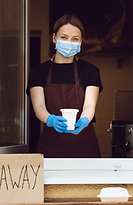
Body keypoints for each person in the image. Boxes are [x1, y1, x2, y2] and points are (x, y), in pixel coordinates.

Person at [27, 14, 103, 158]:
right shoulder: (38, 72)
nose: (69, 42)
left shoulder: (90, 71)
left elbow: (89, 106)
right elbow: (39, 107)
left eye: (75, 39)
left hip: (85, 150)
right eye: (64, 37)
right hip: (50, 149)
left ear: (81, 41)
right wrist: (51, 120)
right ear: (54, 38)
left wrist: (84, 120)